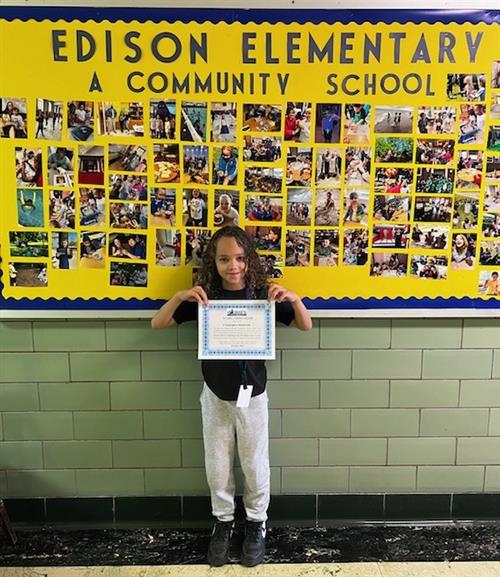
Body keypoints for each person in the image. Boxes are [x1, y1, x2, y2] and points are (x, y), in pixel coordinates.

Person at [151, 226, 312, 568]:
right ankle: (223, 522)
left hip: (253, 396)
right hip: (215, 395)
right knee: (218, 464)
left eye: (239, 258)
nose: (233, 266)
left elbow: (305, 326)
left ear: (249, 260)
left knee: (254, 464)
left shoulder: (263, 296)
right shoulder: (205, 298)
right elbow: (158, 323)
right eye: (224, 259)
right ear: (214, 261)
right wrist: (181, 297)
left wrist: (294, 299)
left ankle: (256, 523)